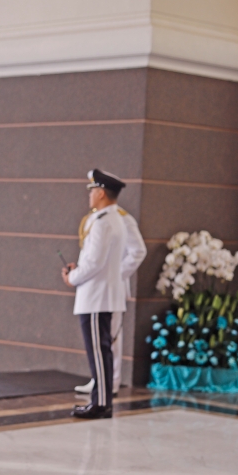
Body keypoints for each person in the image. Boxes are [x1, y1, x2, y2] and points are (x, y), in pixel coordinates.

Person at [61, 169, 128, 420]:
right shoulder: (113, 219)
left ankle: (101, 403)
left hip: (96, 297)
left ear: (100, 193)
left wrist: (72, 278)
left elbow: (94, 263)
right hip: (101, 295)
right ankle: (101, 400)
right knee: (102, 352)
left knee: (99, 353)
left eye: (92, 191)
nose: (89, 196)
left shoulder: (103, 222)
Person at [74, 203, 145, 397]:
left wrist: (116, 274)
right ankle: (100, 380)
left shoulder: (122, 219)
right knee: (99, 340)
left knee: (110, 337)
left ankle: (111, 382)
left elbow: (138, 251)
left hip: (112, 287)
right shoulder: (96, 218)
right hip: (98, 287)